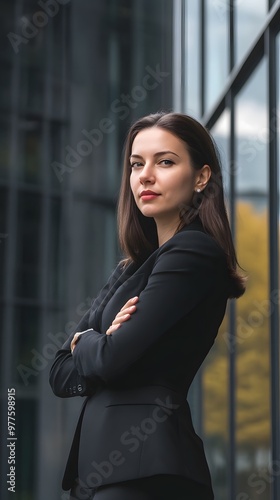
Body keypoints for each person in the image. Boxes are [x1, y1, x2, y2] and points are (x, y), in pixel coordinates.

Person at [49, 112, 246, 500]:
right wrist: (100, 342)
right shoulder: (131, 268)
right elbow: (58, 372)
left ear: (202, 177)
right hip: (96, 475)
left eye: (165, 162)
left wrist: (88, 341)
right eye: (137, 164)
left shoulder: (193, 251)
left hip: (145, 470)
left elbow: (109, 358)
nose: (145, 175)